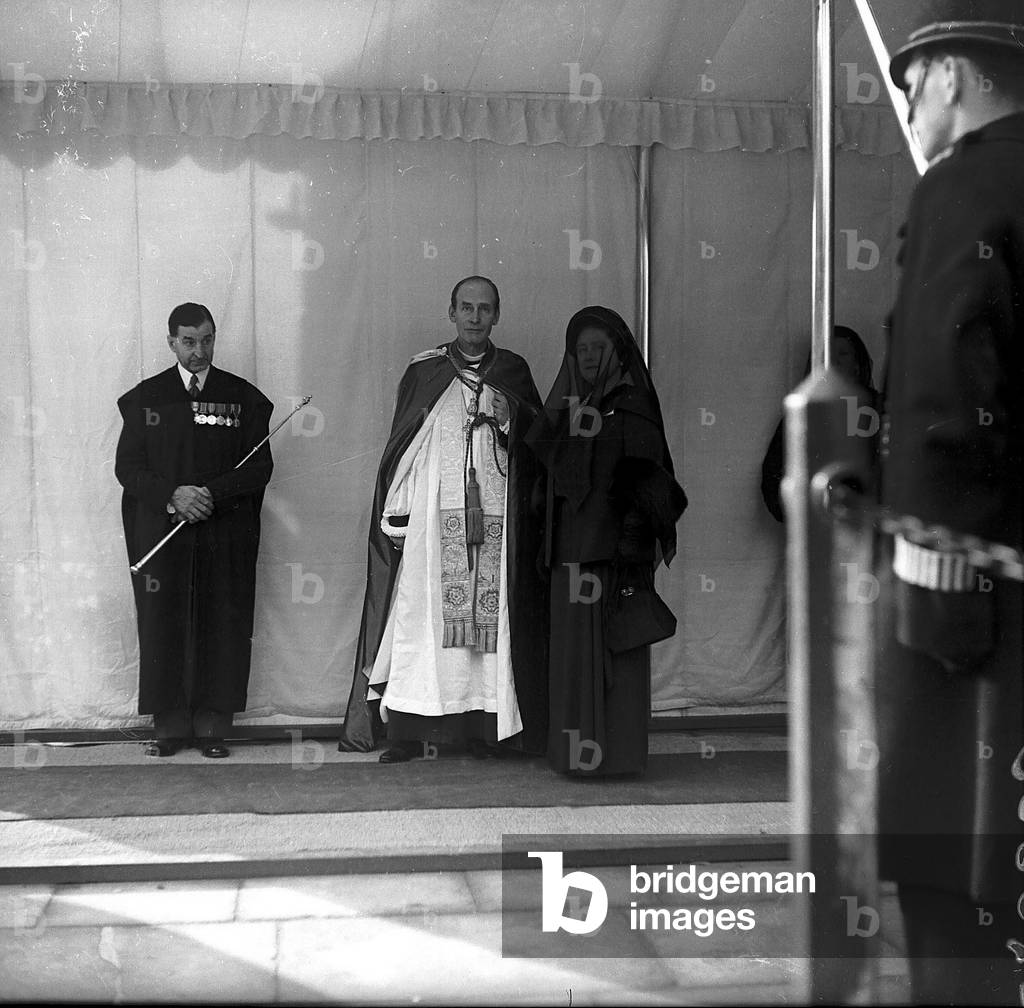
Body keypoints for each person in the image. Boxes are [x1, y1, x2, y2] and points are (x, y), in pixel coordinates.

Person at [876, 3, 1024, 1002]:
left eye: (912, 81)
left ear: (954, 76)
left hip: (989, 580)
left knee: (953, 850)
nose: (910, 102)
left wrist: (929, 565)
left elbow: (943, 384)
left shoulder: (965, 187)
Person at [339, 276, 548, 763]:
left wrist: (509, 418)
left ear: (497, 315)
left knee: (495, 623)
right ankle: (411, 732)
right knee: (425, 618)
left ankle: (493, 730)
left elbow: (541, 449)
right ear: (450, 312)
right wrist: (398, 510)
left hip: (496, 520)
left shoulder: (513, 371)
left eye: (485, 308)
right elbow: (403, 450)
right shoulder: (425, 371)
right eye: (466, 308)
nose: (475, 317)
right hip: (435, 525)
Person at [529, 306, 686, 776]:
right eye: (581, 349)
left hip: (611, 559)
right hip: (568, 557)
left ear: (619, 353)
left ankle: (616, 760)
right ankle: (575, 760)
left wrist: (632, 555)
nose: (590, 356)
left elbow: (651, 486)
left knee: (612, 658)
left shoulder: (632, 407)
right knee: (574, 661)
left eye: (600, 347)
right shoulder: (569, 413)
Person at [115, 303, 273, 759]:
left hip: (224, 533)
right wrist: (174, 495)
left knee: (222, 618)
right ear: (171, 342)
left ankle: (212, 725)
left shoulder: (243, 398)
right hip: (163, 533)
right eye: (188, 341)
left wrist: (210, 495)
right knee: (164, 619)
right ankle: (169, 725)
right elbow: (128, 468)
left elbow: (260, 467)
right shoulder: (146, 398)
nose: (198, 350)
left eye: (206, 339)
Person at [760, 326, 879, 523]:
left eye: (843, 353)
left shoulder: (877, 407)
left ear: (858, 363)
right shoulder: (804, 412)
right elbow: (775, 469)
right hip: (819, 520)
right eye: (827, 353)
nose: (834, 360)